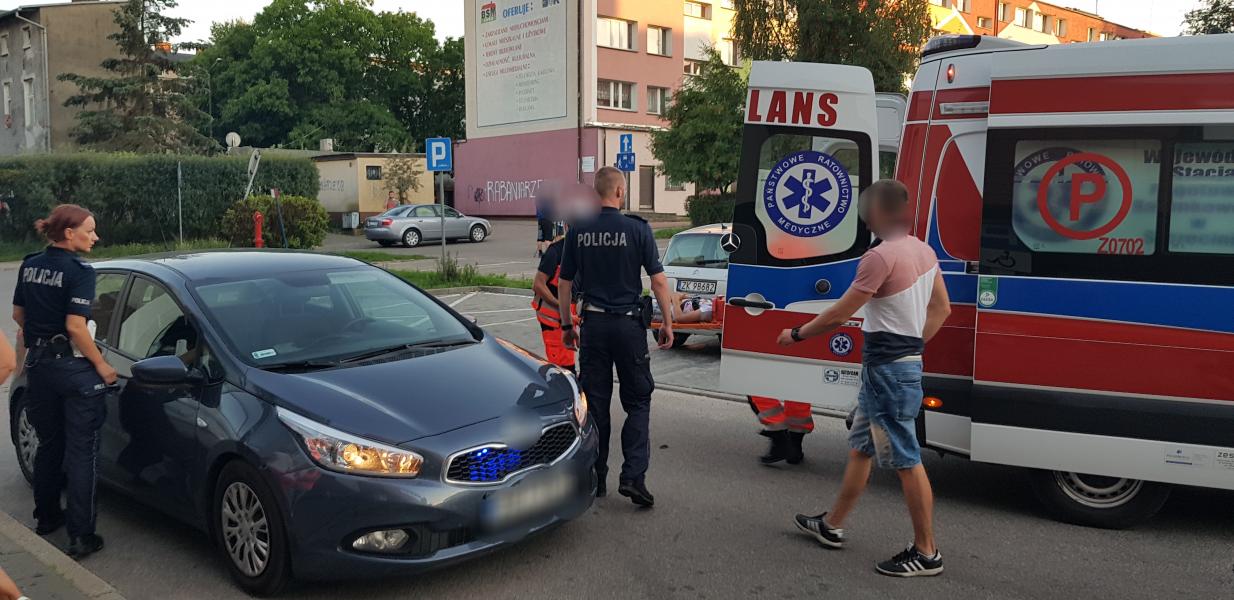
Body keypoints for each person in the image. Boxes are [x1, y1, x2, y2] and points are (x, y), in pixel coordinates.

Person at [777, 180, 951, 577]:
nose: (865, 220)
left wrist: (796, 334)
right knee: (861, 448)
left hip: (888, 373)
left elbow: (840, 314)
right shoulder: (923, 250)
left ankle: (927, 553)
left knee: (905, 460)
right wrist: (910, 347)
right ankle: (832, 525)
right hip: (893, 369)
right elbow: (942, 309)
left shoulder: (880, 256)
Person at [557, 166, 675, 506]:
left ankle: (596, 477)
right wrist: (667, 323)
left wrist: (567, 326)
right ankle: (633, 478)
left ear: (596, 192)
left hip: (593, 327)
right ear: (620, 191)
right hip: (628, 327)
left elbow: (564, 283)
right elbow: (658, 281)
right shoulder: (637, 229)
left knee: (595, 404)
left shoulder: (579, 229)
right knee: (638, 400)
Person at [12, 204, 117, 559]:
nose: (95, 237)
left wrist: (39, 337)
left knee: (49, 444)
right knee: (82, 452)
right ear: (69, 233)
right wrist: (101, 365)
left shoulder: (30, 264)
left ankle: (46, 518)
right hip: (72, 369)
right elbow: (76, 327)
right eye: (90, 230)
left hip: (40, 367)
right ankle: (81, 536)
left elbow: (18, 314)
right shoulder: (79, 271)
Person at [531, 225, 577, 373]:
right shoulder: (555, 251)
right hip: (553, 319)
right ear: (567, 226)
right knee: (562, 368)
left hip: (567, 316)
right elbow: (538, 285)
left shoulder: (580, 250)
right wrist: (563, 308)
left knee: (567, 364)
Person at [748, 396, 814, 464]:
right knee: (797, 392)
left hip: (777, 429)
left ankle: (780, 439)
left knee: (757, 391)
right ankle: (794, 445)